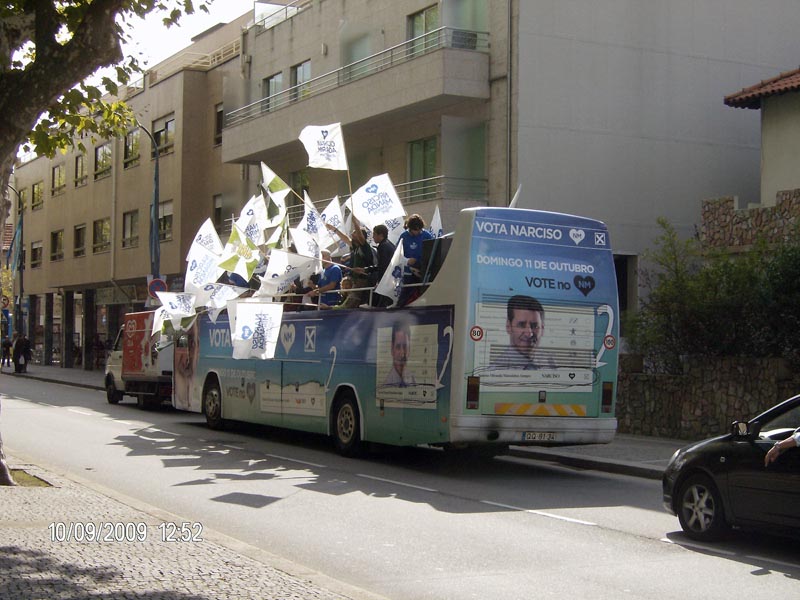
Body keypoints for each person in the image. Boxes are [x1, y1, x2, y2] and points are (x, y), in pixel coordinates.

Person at [492, 295, 556, 370]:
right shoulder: (496, 370)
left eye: (534, 326)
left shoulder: (549, 362)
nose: (529, 333)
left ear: (542, 329)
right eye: (521, 325)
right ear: (508, 326)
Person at [326, 214, 374, 305]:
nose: (352, 234)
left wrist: (356, 223)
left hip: (363, 280)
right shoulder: (355, 247)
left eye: (354, 232)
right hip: (356, 280)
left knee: (352, 303)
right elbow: (345, 238)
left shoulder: (364, 247)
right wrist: (334, 229)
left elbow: (360, 236)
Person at [354, 223, 396, 307]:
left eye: (374, 234)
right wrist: (365, 269)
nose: (373, 237)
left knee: (382, 305)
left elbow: (383, 266)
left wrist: (379, 281)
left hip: (386, 279)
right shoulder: (390, 244)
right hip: (391, 277)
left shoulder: (383, 247)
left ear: (381, 235)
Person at [397, 214, 433, 307]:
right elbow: (397, 255)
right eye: (415, 230)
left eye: (419, 230)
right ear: (409, 228)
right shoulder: (403, 236)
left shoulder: (427, 235)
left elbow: (433, 254)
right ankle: (399, 309)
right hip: (408, 272)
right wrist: (407, 261)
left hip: (423, 271)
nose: (417, 232)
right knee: (405, 295)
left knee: (424, 294)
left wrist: (421, 269)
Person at [385, 320, 416, 386]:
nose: (402, 353)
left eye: (405, 347)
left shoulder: (413, 380)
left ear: (409, 348)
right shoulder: (387, 385)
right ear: (392, 349)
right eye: (398, 347)